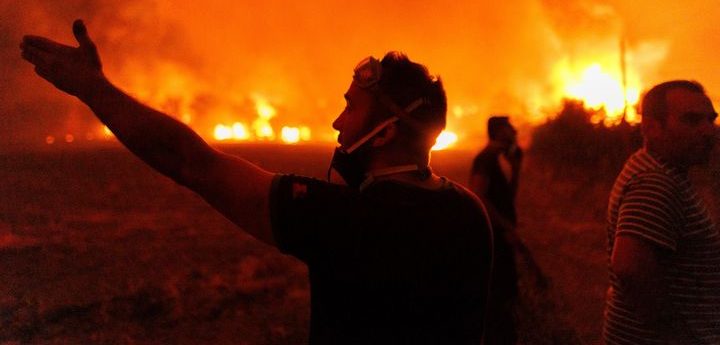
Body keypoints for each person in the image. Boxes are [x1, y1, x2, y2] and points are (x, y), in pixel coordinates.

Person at [20, 19, 493, 345]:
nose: (336, 123)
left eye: (351, 108)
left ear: (385, 132)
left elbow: (192, 163)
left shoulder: (342, 220)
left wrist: (93, 89)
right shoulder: (470, 213)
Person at [603, 80, 720, 344]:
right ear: (651, 127)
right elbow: (630, 267)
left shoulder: (654, 168)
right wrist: (676, 337)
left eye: (709, 119)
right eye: (691, 120)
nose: (707, 131)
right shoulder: (655, 181)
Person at [469, 116, 522, 344]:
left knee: (507, 293)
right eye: (510, 127)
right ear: (500, 131)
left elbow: (508, 197)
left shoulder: (500, 158)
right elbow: (478, 196)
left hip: (502, 234)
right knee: (497, 299)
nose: (515, 131)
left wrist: (518, 166)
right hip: (494, 237)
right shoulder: (487, 158)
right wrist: (506, 226)